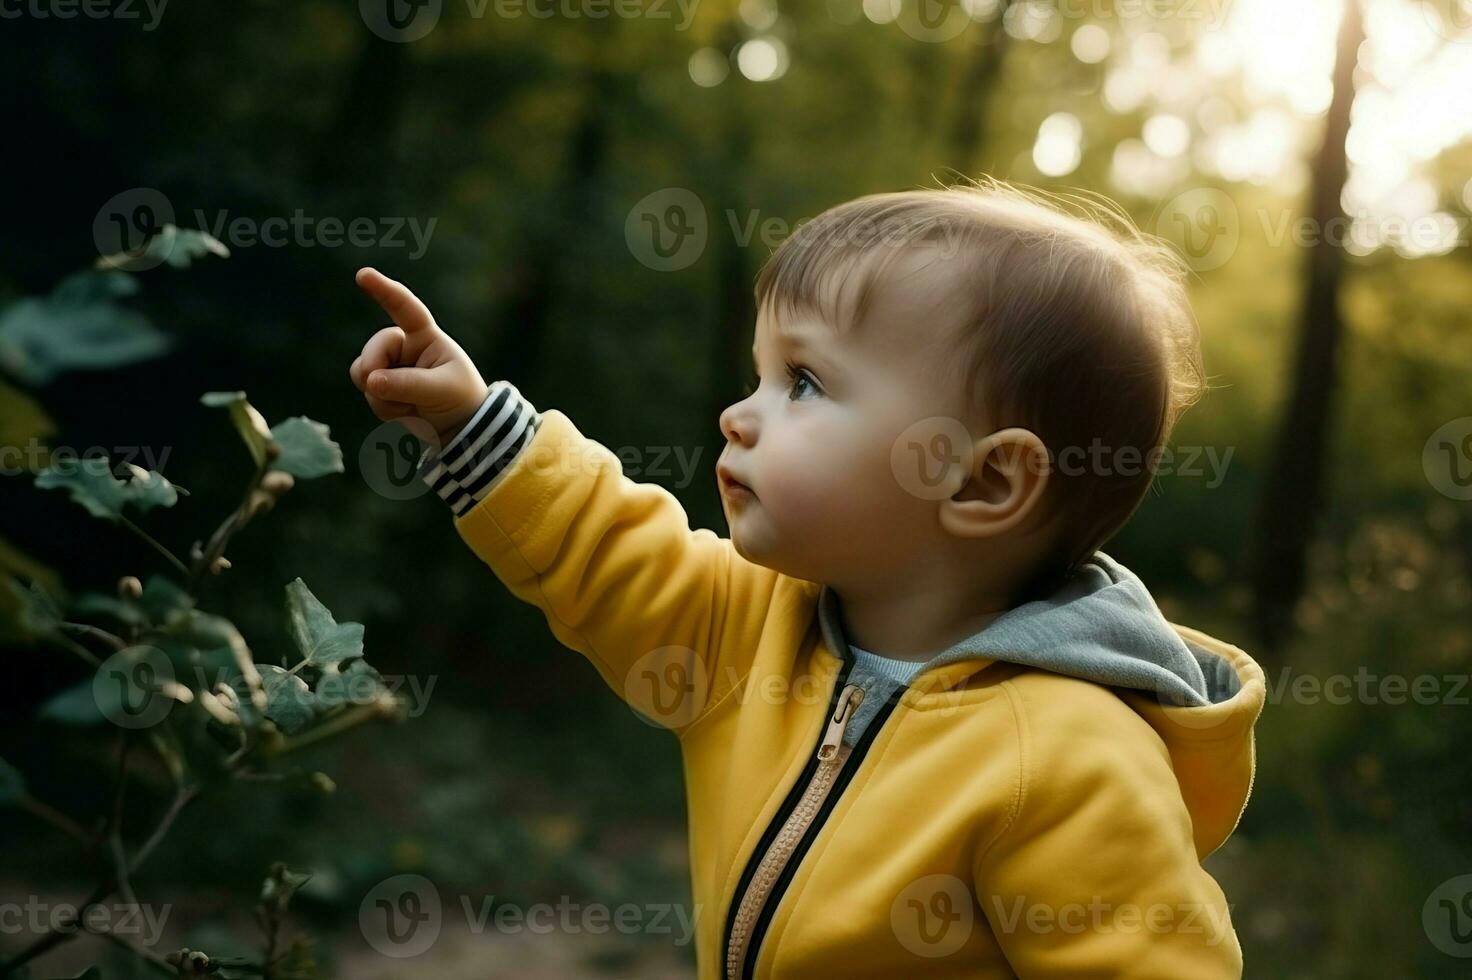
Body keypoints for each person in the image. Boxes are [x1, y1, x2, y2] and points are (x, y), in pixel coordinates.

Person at [349, 178, 1266, 978]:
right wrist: (472, 424)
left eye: (805, 383)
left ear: (982, 479)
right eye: (760, 373)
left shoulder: (1069, 761)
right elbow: (605, 547)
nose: (739, 415)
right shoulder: (747, 628)